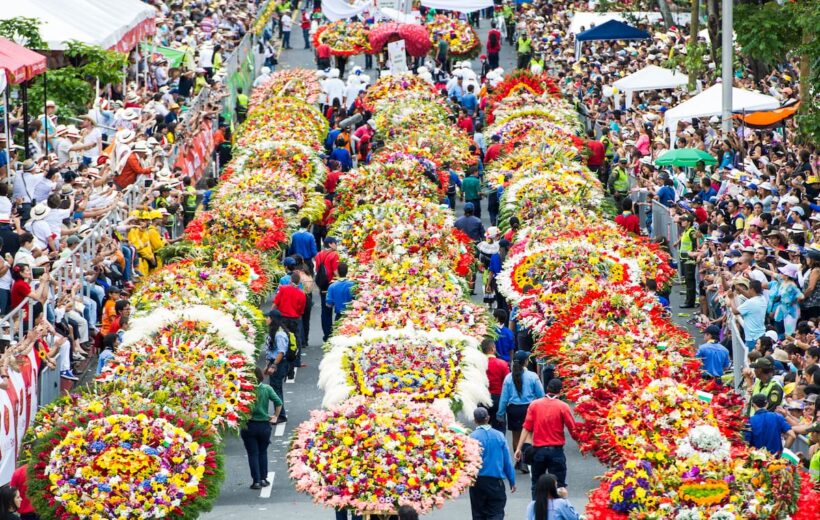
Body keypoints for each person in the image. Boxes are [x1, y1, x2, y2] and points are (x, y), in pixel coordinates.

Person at [515, 378, 578, 497]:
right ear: (560, 391)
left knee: (536, 485)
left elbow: (526, 427)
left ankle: (536, 511)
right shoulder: (563, 406)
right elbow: (572, 429)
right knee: (559, 486)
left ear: (547, 388)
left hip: (538, 451)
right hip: (556, 452)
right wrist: (580, 443)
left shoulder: (534, 405)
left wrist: (519, 448)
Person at [498, 350, 545, 473]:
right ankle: (526, 459)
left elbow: (504, 398)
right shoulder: (533, 376)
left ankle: (518, 460)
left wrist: (500, 413)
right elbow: (540, 395)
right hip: (529, 408)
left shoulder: (508, 377)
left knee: (516, 436)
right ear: (526, 362)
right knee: (528, 435)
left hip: (513, 409)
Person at [469, 407, 516, 520]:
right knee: (496, 512)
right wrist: (512, 480)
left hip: (477, 481)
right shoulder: (499, 436)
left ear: (475, 420)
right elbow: (507, 461)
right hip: (495, 482)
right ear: (489, 418)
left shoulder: (472, 437)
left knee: (478, 513)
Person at [240, 367, 282, 490]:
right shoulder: (266, 389)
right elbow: (278, 402)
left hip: (249, 425)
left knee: (253, 454)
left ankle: (256, 481)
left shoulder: (244, 391)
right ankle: (264, 478)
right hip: (264, 425)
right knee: (263, 452)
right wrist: (275, 416)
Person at [265, 310, 290, 424]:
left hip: (279, 364)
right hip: (274, 363)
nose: (266, 319)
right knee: (275, 388)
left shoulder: (279, 334)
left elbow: (281, 352)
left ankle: (280, 415)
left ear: (273, 319)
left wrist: (274, 365)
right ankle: (279, 413)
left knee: (276, 390)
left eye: (268, 317)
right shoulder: (274, 331)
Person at [729, 280, 768, 349]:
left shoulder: (750, 302)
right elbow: (750, 296)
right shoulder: (762, 298)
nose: (748, 291)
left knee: (749, 358)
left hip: (752, 338)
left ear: (752, 289)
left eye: (749, 289)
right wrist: (740, 290)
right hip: (761, 334)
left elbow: (735, 311)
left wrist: (731, 299)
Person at [315, 236, 340, 341]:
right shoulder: (334, 255)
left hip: (322, 285)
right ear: (330, 244)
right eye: (335, 243)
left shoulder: (318, 255)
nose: (336, 245)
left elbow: (317, 269)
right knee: (338, 308)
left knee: (325, 310)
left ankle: (327, 334)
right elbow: (335, 272)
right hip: (332, 284)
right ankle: (336, 332)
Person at [482, 339, 509, 433]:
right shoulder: (502, 364)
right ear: (493, 348)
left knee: (483, 428)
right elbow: (507, 384)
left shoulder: (479, 364)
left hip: (483, 398)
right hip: (499, 399)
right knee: (499, 428)